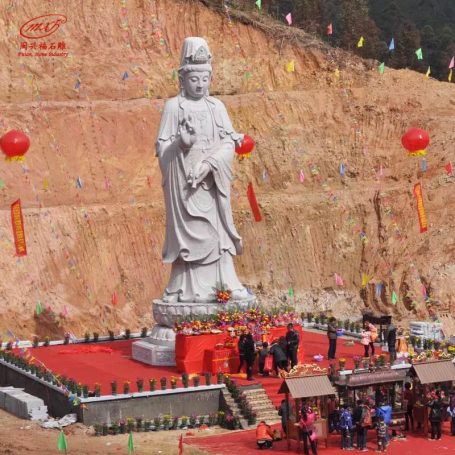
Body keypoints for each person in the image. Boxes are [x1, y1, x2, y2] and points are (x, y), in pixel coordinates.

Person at [156, 36, 252, 304]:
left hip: (212, 185)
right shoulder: (173, 107)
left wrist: (209, 165)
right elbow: (162, 150)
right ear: (182, 79)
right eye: (194, 79)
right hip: (186, 187)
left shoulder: (217, 107)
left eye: (204, 79)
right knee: (189, 240)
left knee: (219, 237)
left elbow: (229, 143)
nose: (200, 84)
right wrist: (181, 144)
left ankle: (226, 283)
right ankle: (184, 288)